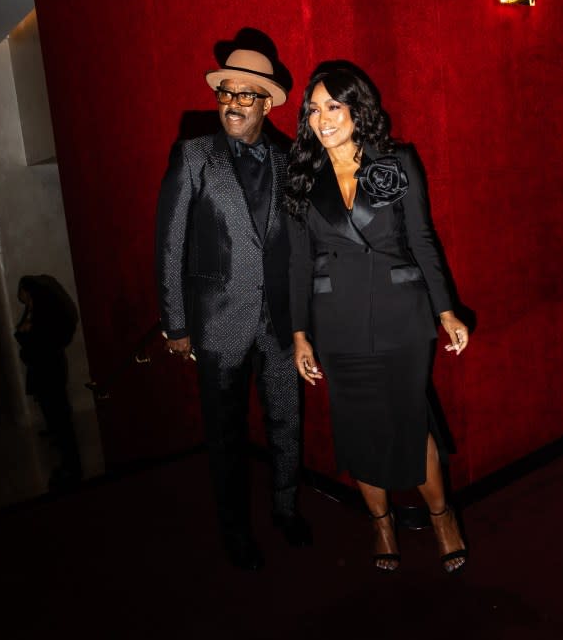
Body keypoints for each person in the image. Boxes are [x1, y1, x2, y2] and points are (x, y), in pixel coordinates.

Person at [286, 65, 470, 573]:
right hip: (337, 323)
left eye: (333, 107)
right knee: (356, 428)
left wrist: (446, 309)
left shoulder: (396, 162)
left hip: (401, 318)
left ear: (356, 109)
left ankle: (440, 516)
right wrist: (299, 335)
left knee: (410, 423)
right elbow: (298, 262)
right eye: (313, 109)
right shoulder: (302, 177)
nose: (321, 119)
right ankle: (381, 524)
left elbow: (423, 240)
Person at [155, 47, 311, 571]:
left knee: (287, 423)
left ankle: (286, 510)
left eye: (246, 94)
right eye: (226, 93)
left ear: (267, 103)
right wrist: (175, 323)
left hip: (282, 325)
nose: (233, 103)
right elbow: (170, 243)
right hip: (219, 322)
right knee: (226, 436)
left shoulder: (290, 161)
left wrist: (306, 321)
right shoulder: (194, 155)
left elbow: (300, 247)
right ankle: (236, 530)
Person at [14, 275, 82, 489]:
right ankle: (70, 464)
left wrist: (25, 335)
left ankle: (71, 466)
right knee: (59, 418)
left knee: (60, 419)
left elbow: (36, 341)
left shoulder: (42, 313)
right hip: (49, 369)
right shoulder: (40, 309)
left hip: (48, 371)